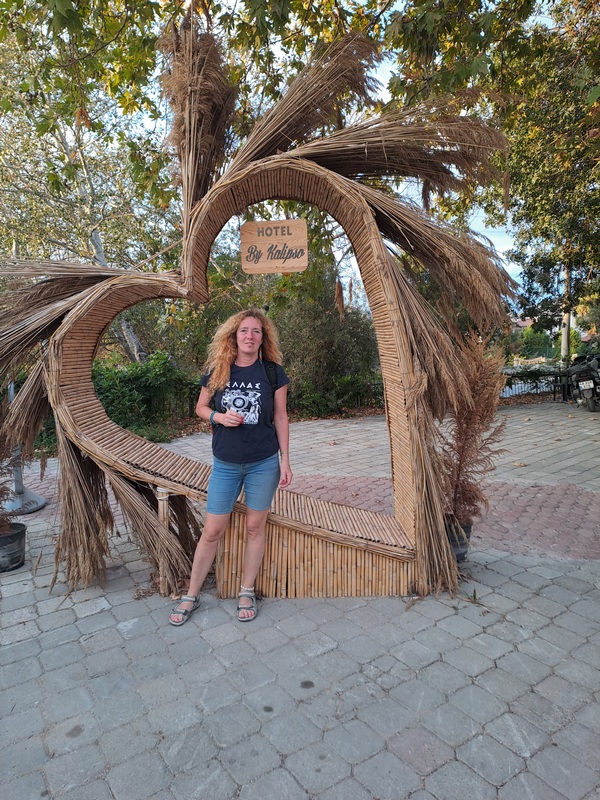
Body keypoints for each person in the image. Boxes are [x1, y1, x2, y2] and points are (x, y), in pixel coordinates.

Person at [169, 309, 292, 625]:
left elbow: (280, 417)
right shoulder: (218, 369)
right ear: (234, 336)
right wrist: (219, 417)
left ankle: (246, 591)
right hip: (225, 464)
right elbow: (200, 407)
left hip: (263, 463)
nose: (250, 336)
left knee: (255, 527)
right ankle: (191, 594)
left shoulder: (273, 373)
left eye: (256, 331)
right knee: (212, 530)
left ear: (263, 338)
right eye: (244, 330)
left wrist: (286, 460)